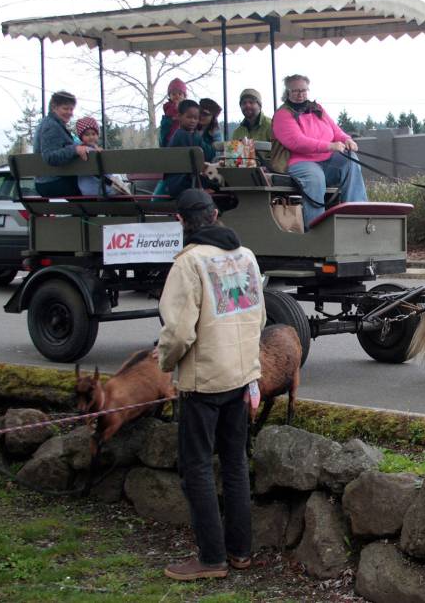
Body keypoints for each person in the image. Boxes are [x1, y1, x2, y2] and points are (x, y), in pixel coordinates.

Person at [155, 188, 264, 581]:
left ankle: (212, 558)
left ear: (180, 220)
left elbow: (178, 332)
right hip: (240, 376)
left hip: (203, 382)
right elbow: (258, 316)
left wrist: (165, 363)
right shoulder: (246, 256)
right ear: (215, 214)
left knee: (197, 467)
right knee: (235, 464)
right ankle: (240, 552)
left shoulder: (189, 262)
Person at [271, 74, 367, 228]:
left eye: (304, 90)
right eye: (295, 91)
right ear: (287, 92)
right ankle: (317, 229)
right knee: (315, 178)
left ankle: (357, 215)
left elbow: (335, 130)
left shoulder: (317, 108)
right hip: (300, 162)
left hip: (326, 159)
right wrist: (329, 146)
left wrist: (347, 140)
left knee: (351, 160)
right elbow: (297, 142)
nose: (300, 94)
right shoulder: (282, 114)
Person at [33, 90, 99, 197]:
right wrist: (75, 150)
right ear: (54, 107)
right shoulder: (51, 126)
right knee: (95, 187)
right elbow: (50, 157)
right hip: (52, 182)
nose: (69, 112)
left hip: (49, 180)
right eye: (65, 108)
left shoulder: (51, 124)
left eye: (71, 109)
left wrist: (84, 147)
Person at [159, 78, 188, 147]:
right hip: (171, 136)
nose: (177, 96)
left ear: (184, 96)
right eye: (174, 94)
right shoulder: (169, 107)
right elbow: (168, 119)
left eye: (180, 94)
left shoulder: (188, 108)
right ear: (169, 96)